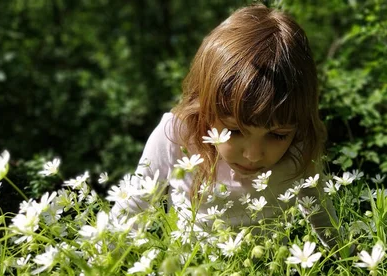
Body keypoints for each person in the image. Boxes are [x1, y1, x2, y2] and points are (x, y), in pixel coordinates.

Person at [114, 4, 340, 249]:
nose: (253, 154)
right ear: (205, 107)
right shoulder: (178, 135)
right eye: (234, 131)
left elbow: (322, 217)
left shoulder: (300, 146)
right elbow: (131, 212)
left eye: (277, 135)